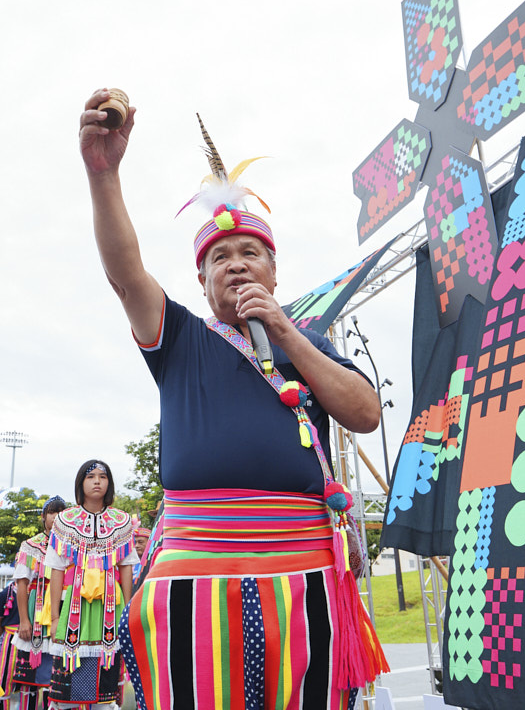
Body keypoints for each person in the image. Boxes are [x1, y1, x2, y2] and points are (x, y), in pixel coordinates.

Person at [79, 90, 388, 708]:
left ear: (274, 271)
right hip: (195, 579)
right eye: (220, 257)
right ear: (201, 280)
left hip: (306, 578)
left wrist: (287, 333)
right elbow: (125, 273)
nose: (237, 265)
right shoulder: (179, 337)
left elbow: (365, 413)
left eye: (251, 253)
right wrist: (103, 175)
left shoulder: (310, 344)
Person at [43, 461, 137, 709]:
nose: (97, 481)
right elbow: (56, 569)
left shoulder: (121, 521)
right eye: (91, 476)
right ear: (80, 483)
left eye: (103, 476)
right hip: (74, 608)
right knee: (65, 692)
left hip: (110, 608)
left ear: (109, 483)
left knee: (105, 692)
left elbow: (126, 567)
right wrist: (54, 618)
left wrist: (127, 612)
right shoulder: (65, 521)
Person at [9, 495, 67, 710]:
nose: (56, 517)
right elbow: (22, 584)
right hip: (38, 610)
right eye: (52, 512)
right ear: (43, 516)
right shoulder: (30, 546)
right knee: (31, 679)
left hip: (64, 608)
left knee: (61, 676)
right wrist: (24, 620)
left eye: (61, 513)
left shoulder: (71, 545)